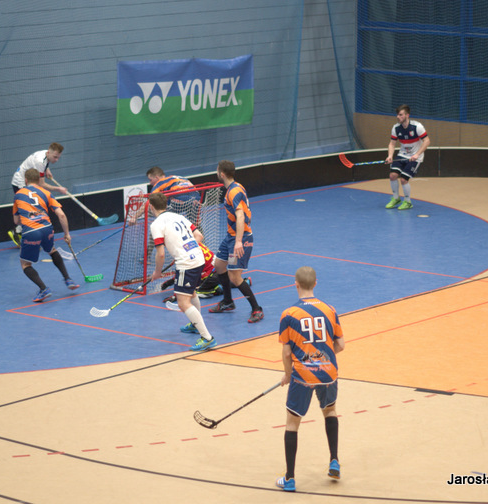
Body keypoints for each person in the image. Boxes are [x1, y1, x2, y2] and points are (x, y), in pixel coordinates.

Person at [276, 266, 345, 492]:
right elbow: (340, 345)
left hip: (302, 376)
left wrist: (288, 374)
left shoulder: (289, 314)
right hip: (328, 374)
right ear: (315, 283)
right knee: (330, 411)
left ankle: (290, 478)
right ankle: (334, 460)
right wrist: (322, 358)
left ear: (295, 284)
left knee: (292, 423)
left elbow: (287, 352)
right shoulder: (330, 310)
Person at [147, 192, 216, 352]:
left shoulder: (156, 224)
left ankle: (207, 338)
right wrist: (187, 249)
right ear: (166, 204)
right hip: (198, 258)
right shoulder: (178, 216)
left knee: (183, 303)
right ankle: (195, 325)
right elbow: (198, 235)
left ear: (151, 207)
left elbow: (161, 254)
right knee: (191, 293)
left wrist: (157, 272)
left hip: (187, 263)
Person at [208, 160, 264, 323]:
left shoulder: (233, 191)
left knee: (235, 276)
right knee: (219, 265)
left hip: (240, 238)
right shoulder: (235, 188)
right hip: (230, 237)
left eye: (217, 170)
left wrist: (238, 241)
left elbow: (240, 216)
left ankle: (256, 309)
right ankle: (227, 301)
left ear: (222, 174)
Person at [13, 168, 79, 302]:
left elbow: (16, 221)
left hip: (31, 231)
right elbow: (61, 215)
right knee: (52, 250)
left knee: (25, 264)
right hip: (47, 228)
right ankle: (68, 279)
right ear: (39, 180)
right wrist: (67, 234)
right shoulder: (46, 193)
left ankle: (43, 289)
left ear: (26, 180)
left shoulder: (18, 195)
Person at [8, 143, 68, 246]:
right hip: (20, 183)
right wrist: (58, 189)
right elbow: (41, 184)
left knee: (32, 209)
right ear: (49, 153)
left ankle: (20, 231)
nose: (57, 160)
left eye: (58, 157)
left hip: (25, 180)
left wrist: (47, 170)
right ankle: (19, 232)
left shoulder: (45, 154)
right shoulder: (40, 162)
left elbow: (45, 164)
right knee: (30, 210)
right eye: (55, 157)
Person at [384, 105, 430, 210]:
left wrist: (417, 154)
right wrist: (390, 156)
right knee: (392, 176)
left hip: (415, 157)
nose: (398, 117)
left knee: (404, 179)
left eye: (401, 115)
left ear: (407, 115)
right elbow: (392, 144)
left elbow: (427, 141)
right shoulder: (396, 128)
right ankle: (396, 198)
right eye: (397, 115)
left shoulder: (417, 127)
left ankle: (408, 202)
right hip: (402, 155)